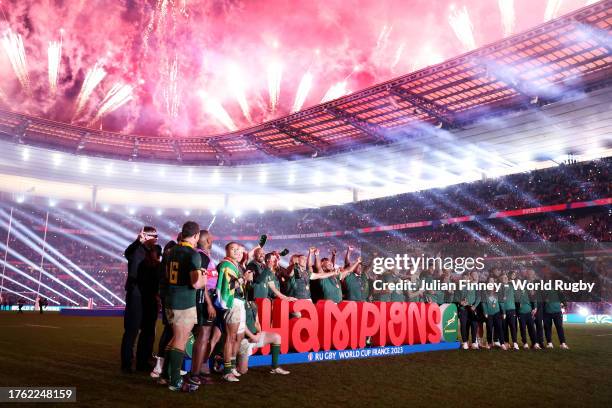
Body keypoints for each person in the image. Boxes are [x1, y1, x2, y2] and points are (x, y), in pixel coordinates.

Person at [160, 222, 206, 392]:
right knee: (180, 339)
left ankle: (165, 375)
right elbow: (195, 283)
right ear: (196, 236)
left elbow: (165, 277)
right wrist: (203, 279)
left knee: (174, 338)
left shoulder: (170, 251)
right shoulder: (193, 254)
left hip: (171, 300)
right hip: (184, 302)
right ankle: (175, 380)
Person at [120, 226, 161, 373]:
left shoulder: (153, 251)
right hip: (137, 294)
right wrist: (138, 241)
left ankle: (143, 362)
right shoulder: (137, 250)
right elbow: (128, 253)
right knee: (132, 330)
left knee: (148, 331)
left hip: (148, 295)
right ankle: (127, 363)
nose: (157, 238)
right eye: (154, 235)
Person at [237, 290, 290, 376]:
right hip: (245, 339)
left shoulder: (253, 305)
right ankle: (223, 359)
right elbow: (241, 325)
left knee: (276, 337)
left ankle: (275, 367)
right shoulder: (240, 304)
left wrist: (259, 334)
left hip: (254, 337)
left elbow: (257, 323)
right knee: (243, 371)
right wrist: (253, 337)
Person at [188, 230, 217, 386]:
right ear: (207, 240)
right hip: (204, 299)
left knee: (204, 336)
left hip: (203, 298)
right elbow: (203, 282)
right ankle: (195, 374)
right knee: (203, 336)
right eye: (211, 238)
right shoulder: (202, 256)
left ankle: (199, 370)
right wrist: (209, 303)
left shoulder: (202, 255)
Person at [215, 242, 245, 382]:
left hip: (236, 303)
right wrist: (244, 279)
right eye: (233, 249)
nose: (236, 251)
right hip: (232, 303)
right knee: (229, 337)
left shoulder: (232, 264)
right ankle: (227, 371)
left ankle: (228, 367)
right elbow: (229, 286)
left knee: (231, 337)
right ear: (226, 250)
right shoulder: (227, 265)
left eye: (238, 249)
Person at [482, 277, 507, 350]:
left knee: (499, 327)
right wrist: (485, 312)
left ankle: (502, 343)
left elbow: (501, 302)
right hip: (489, 314)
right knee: (489, 328)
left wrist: (504, 312)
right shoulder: (485, 292)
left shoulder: (497, 291)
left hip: (497, 313)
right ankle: (489, 343)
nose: (491, 282)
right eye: (489, 281)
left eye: (492, 281)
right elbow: (483, 303)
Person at [457, 272, 480, 350]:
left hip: (472, 308)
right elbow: (456, 296)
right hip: (463, 309)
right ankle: (465, 342)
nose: (465, 279)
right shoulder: (459, 286)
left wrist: (475, 305)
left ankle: (474, 342)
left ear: (469, 278)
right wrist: (460, 302)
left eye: (467, 278)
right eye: (464, 277)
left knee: (474, 325)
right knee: (463, 325)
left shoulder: (474, 285)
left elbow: (478, 297)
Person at [500, 273, 519, 350]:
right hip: (503, 310)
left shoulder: (512, 285)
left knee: (513, 327)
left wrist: (512, 281)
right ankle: (506, 342)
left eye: (506, 277)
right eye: (503, 278)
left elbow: (517, 283)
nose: (505, 279)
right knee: (504, 327)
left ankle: (515, 342)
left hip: (512, 309)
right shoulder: (499, 287)